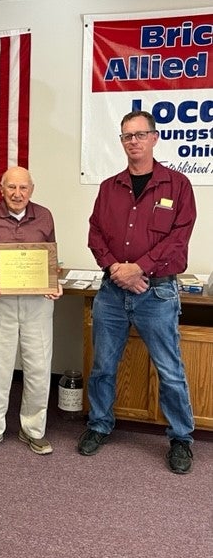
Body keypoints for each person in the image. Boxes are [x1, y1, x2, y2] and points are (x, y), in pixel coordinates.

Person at [78, 110, 196, 474]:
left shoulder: (177, 186)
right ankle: (99, 424)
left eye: (140, 134)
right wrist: (116, 268)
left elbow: (179, 238)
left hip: (157, 294)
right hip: (112, 292)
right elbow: (95, 233)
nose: (134, 141)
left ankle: (181, 438)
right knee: (102, 366)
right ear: (122, 141)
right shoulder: (109, 187)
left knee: (170, 369)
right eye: (127, 136)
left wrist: (139, 268)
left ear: (154, 138)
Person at [0, 166, 62, 456]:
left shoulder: (45, 215)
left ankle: (33, 430)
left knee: (38, 367)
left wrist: (54, 281)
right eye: (11, 187)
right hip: (0, 301)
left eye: (23, 188)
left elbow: (49, 260)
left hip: (37, 303)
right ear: (2, 188)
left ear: (31, 190)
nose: (17, 194)